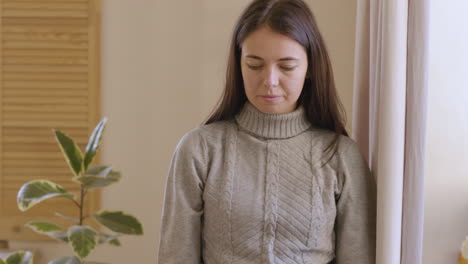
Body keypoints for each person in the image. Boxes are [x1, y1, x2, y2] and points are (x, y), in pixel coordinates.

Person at [158, 0, 376, 263]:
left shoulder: (340, 156)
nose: (270, 81)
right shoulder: (200, 150)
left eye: (286, 66)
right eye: (254, 65)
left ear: (310, 68)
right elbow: (176, 256)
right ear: (239, 64)